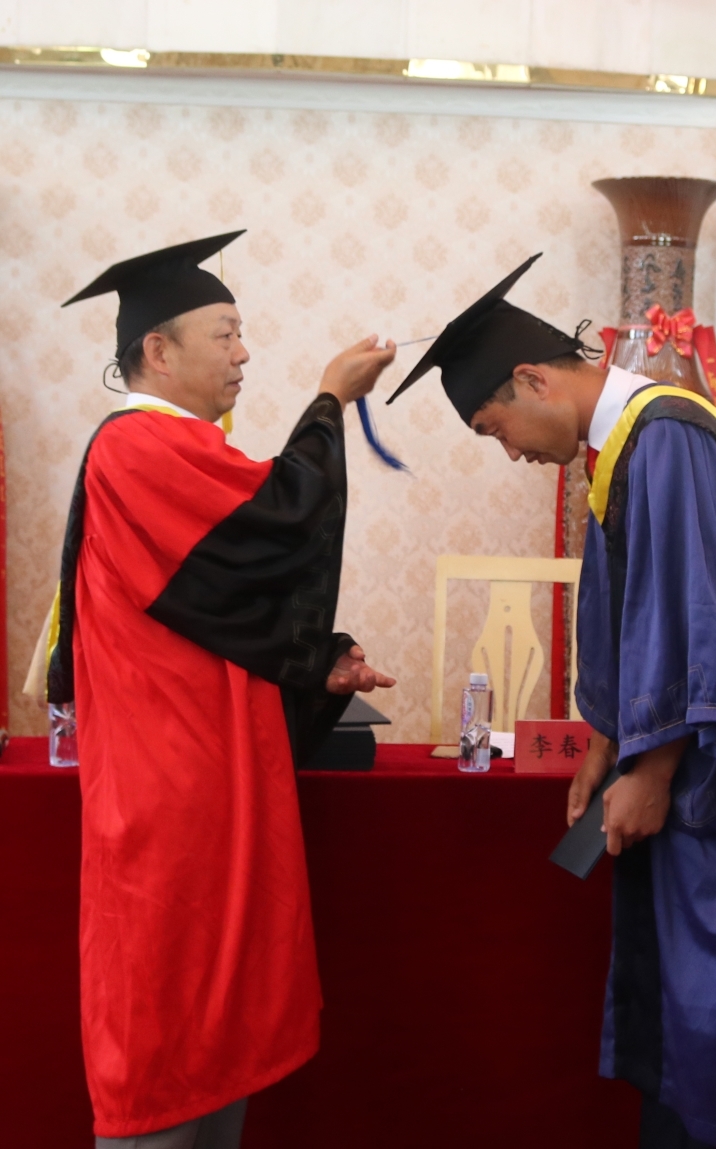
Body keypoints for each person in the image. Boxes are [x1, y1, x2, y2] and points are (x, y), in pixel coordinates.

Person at [388, 254, 716, 1149]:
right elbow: (640, 610)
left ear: (533, 378)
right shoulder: (628, 444)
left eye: (496, 427)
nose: (511, 451)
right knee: (687, 996)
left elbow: (699, 620)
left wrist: (652, 769)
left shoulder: (665, 441)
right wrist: (602, 738)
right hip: (692, 739)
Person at [50, 231, 396, 1148]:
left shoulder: (168, 449)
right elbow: (277, 524)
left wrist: (317, 660)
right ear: (157, 351)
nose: (245, 352)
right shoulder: (137, 447)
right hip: (168, 802)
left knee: (213, 1046)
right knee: (163, 1045)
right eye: (226, 332)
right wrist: (329, 398)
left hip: (205, 789)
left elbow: (225, 602)